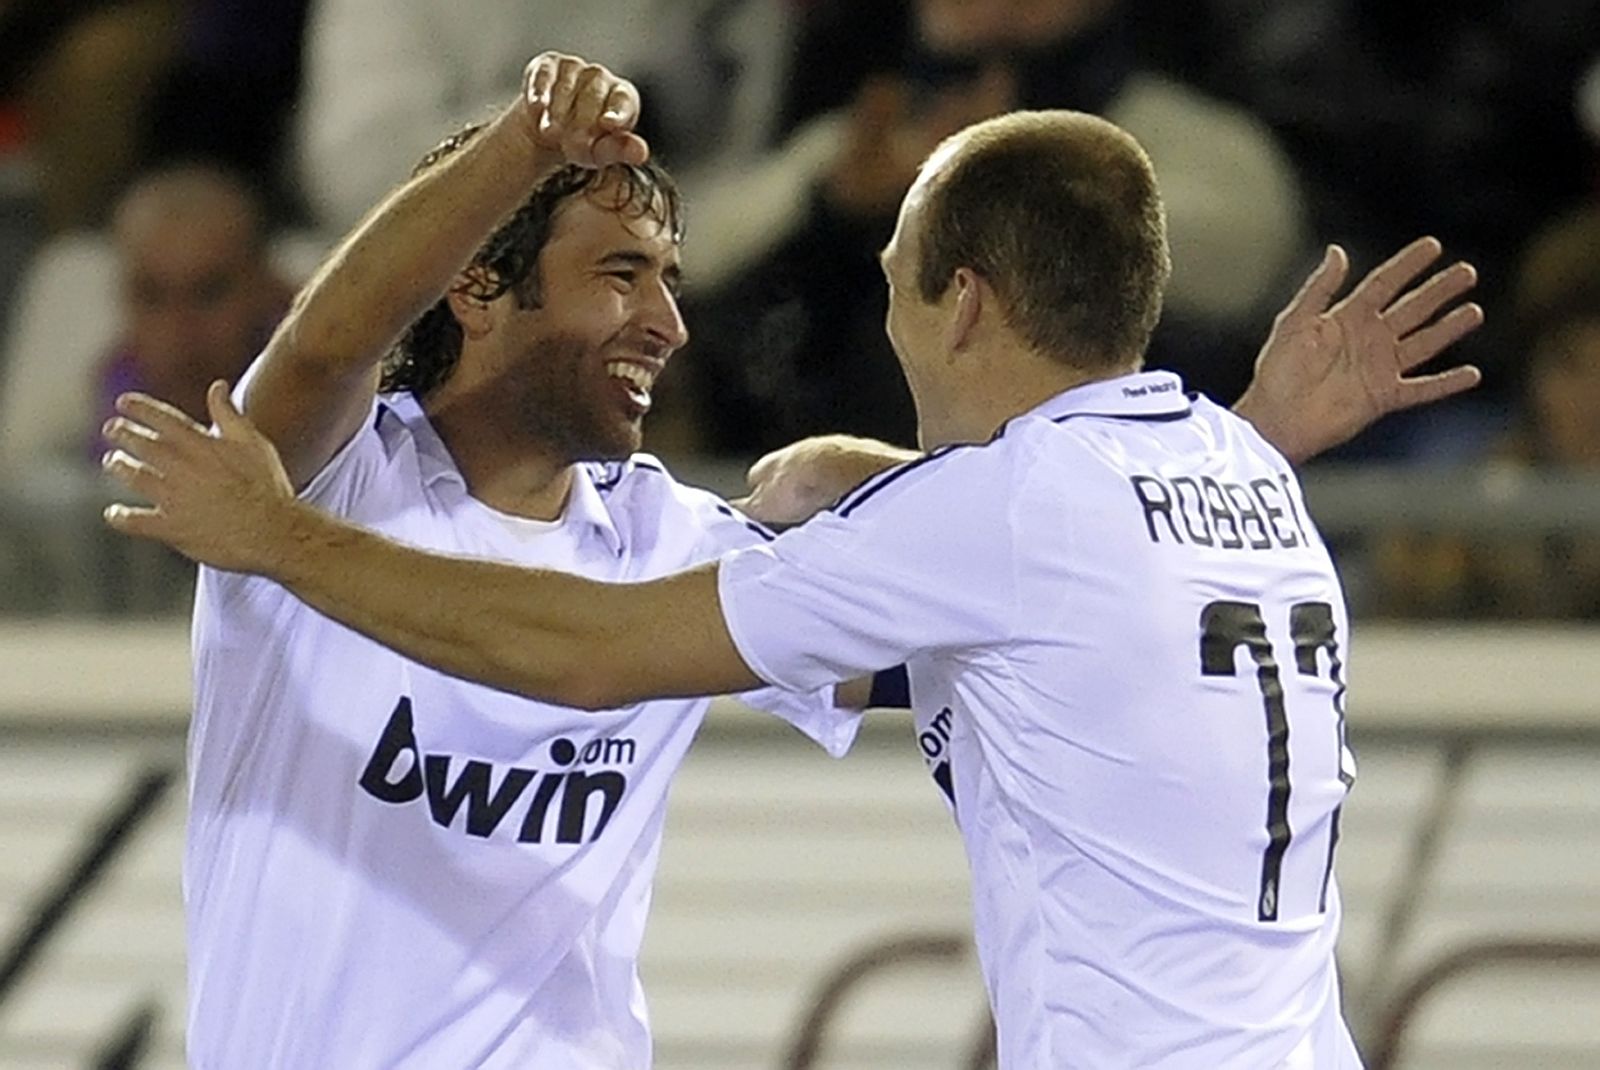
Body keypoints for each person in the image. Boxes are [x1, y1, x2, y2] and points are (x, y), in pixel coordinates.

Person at [104, 64, 1484, 1066]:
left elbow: (1042, 616)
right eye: (623, 273)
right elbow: (328, 348)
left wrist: (276, 543)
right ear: (476, 278)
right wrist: (515, 151)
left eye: (670, 278)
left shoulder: (662, 541)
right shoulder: (325, 481)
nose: (668, 322)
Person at [92, 162, 289, 455]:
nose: (179, 328)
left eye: (209, 292)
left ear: (266, 290)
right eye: (152, 296)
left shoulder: (321, 392)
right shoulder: (115, 391)